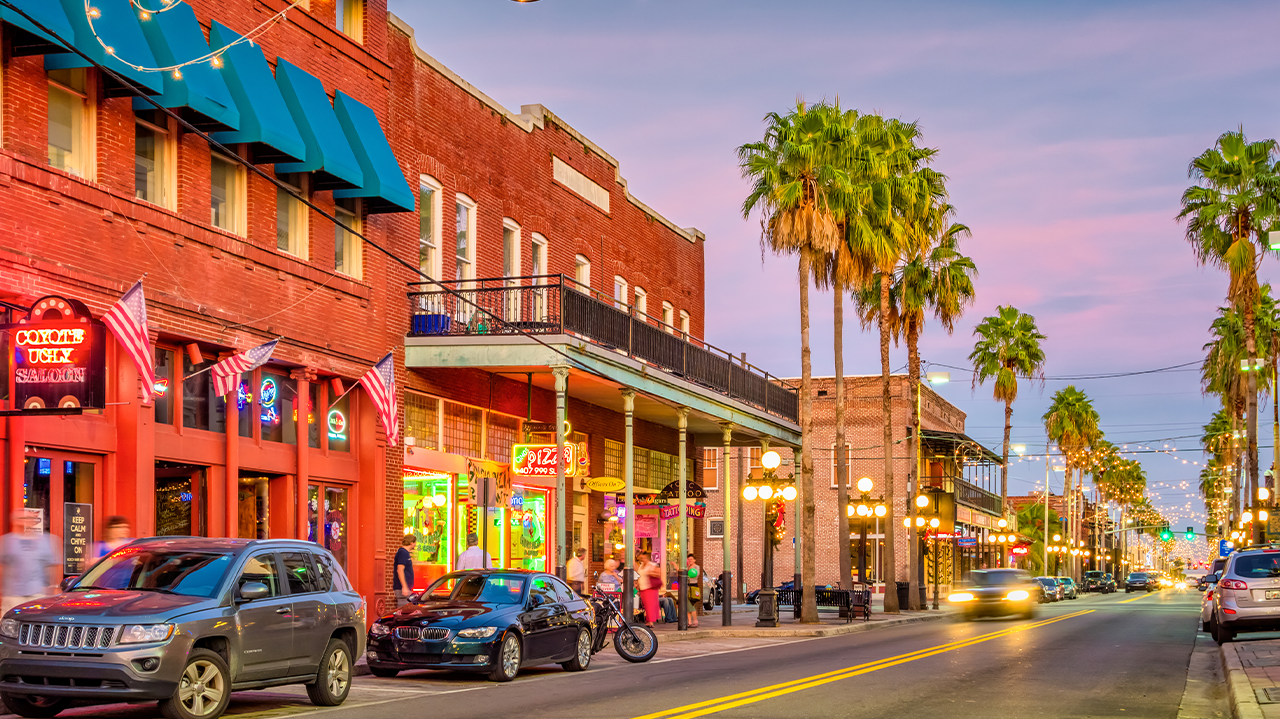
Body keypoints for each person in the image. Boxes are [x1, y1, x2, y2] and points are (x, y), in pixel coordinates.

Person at [0, 512, 60, 616]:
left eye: (29, 519)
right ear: (15, 521)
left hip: (37, 595)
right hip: (12, 595)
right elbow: (2, 567)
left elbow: (52, 566)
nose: (27, 521)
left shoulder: (46, 541)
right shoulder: (6, 541)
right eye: (23, 518)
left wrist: (54, 588)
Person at [637, 557, 661, 628]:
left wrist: (650, 573)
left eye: (643, 558)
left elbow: (658, 573)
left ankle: (651, 622)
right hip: (643, 587)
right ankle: (648, 620)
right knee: (646, 604)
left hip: (650, 587)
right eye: (641, 558)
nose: (642, 559)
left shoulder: (651, 565)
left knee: (650, 604)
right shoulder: (641, 566)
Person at [393, 534, 416, 607]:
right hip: (402, 589)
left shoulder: (404, 553)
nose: (415, 544)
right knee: (403, 612)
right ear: (411, 543)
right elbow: (400, 570)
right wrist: (404, 586)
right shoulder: (403, 553)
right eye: (415, 542)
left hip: (405, 588)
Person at [686, 553, 702, 628]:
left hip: (693, 586)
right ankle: (689, 621)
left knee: (691, 605)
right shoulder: (687, 567)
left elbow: (696, 575)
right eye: (688, 559)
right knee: (688, 605)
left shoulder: (696, 567)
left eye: (691, 559)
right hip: (687, 587)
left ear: (694, 560)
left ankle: (695, 621)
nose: (690, 561)